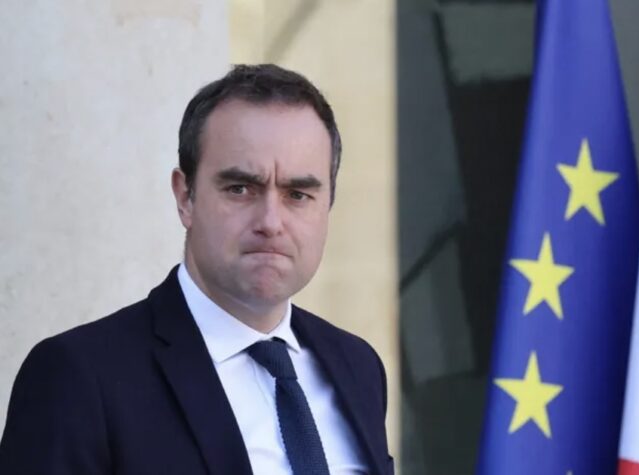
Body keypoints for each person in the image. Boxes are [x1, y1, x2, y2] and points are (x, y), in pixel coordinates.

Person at [0, 64, 393, 475]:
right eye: (240, 188)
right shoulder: (79, 377)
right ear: (185, 197)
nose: (271, 222)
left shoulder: (358, 367)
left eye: (297, 194)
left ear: (328, 205)